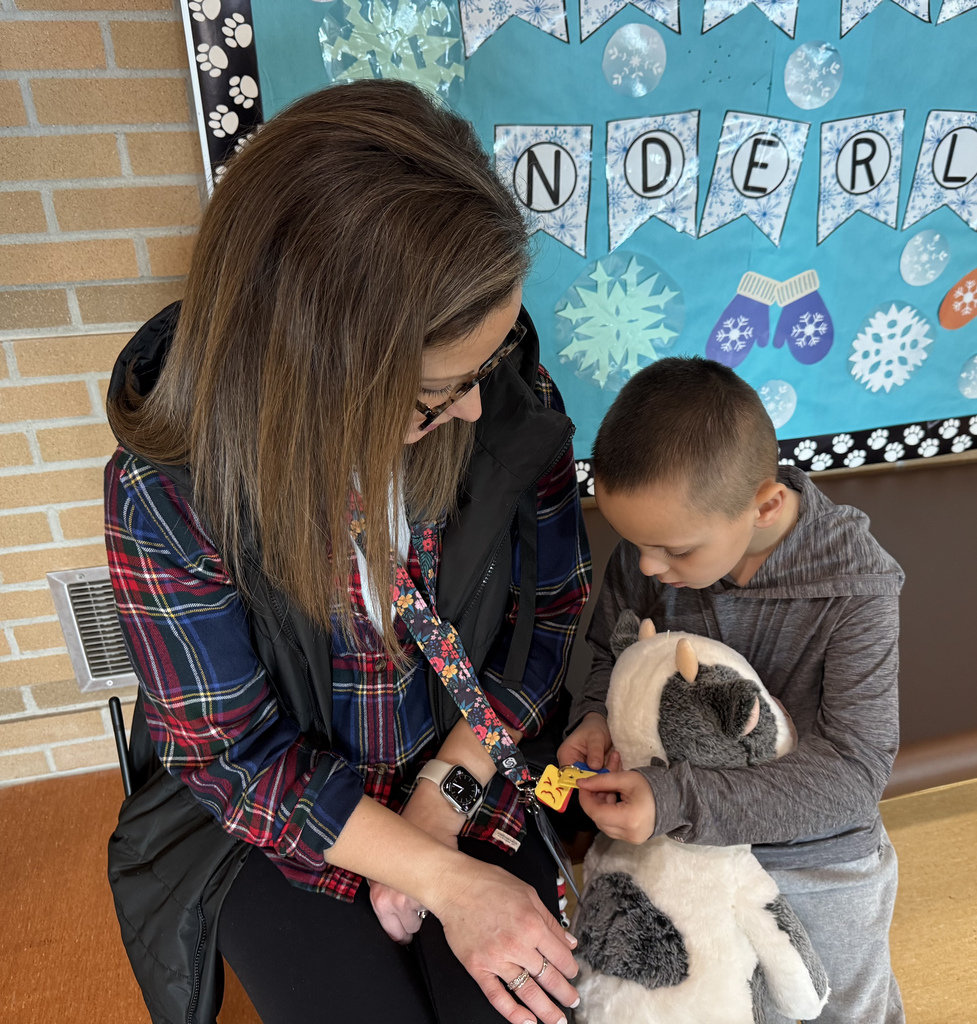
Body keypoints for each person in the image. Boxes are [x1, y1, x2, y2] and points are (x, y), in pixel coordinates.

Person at [104, 80, 591, 1024]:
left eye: (485, 371)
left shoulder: (500, 380)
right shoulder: (169, 492)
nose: (479, 410)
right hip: (271, 821)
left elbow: (549, 616)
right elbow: (234, 760)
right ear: (319, 370)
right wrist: (440, 881)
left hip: (464, 758)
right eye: (434, 395)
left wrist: (441, 810)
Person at [559, 356, 904, 1024]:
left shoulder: (858, 587)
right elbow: (612, 651)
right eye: (633, 545)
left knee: (833, 1005)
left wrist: (674, 801)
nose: (648, 566)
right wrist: (598, 714)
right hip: (678, 848)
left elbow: (853, 775)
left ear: (764, 505)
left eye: (673, 551)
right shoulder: (649, 548)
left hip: (815, 856)